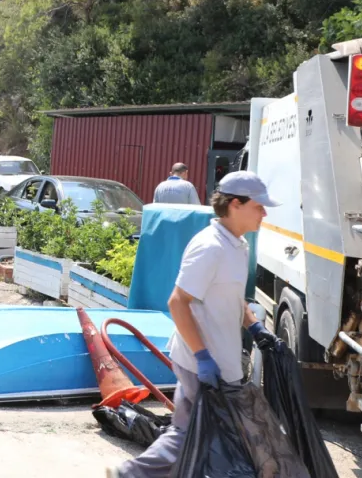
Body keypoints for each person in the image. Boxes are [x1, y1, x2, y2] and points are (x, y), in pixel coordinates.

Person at [114, 171, 280, 478]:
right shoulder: (210, 247)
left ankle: (130, 474)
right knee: (204, 434)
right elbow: (178, 302)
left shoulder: (238, 246)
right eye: (258, 206)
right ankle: (130, 474)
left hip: (222, 359)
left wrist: (255, 327)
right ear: (235, 204)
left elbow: (233, 297)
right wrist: (202, 356)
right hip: (202, 361)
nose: (264, 213)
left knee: (190, 433)